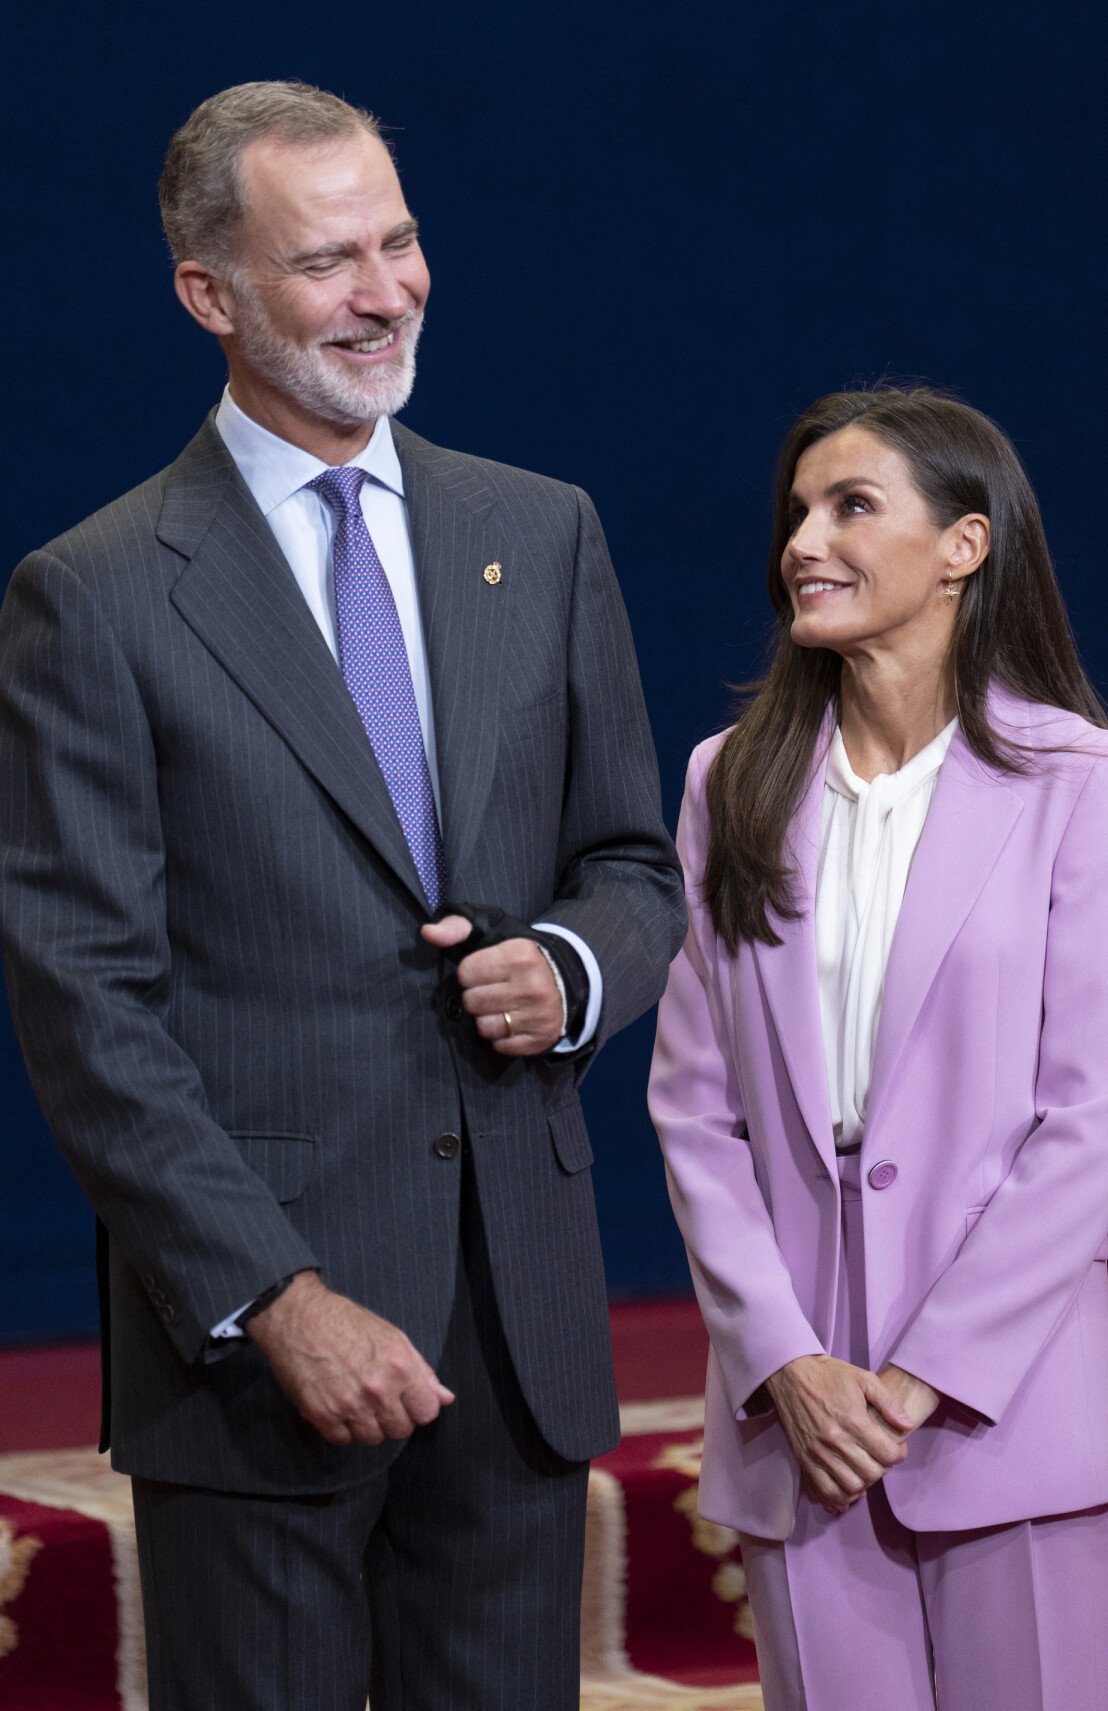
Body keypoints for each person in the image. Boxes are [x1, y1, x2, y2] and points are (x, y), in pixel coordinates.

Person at [0, 81, 685, 1711]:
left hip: (516, 1337)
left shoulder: (544, 530)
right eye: (328, 261)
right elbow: (85, 998)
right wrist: (272, 1299)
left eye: (401, 240)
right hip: (262, 1355)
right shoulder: (92, 597)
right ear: (209, 295)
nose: (387, 292)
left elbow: (636, 869)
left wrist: (573, 970)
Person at [649, 386, 1108, 1711]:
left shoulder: (1078, 778)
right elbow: (696, 1109)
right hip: (799, 1417)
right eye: (797, 512)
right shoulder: (727, 780)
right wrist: (787, 1362)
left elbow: (1092, 1112)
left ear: (963, 547)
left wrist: (929, 1377)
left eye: (851, 507)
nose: (803, 541)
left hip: (1010, 1401)